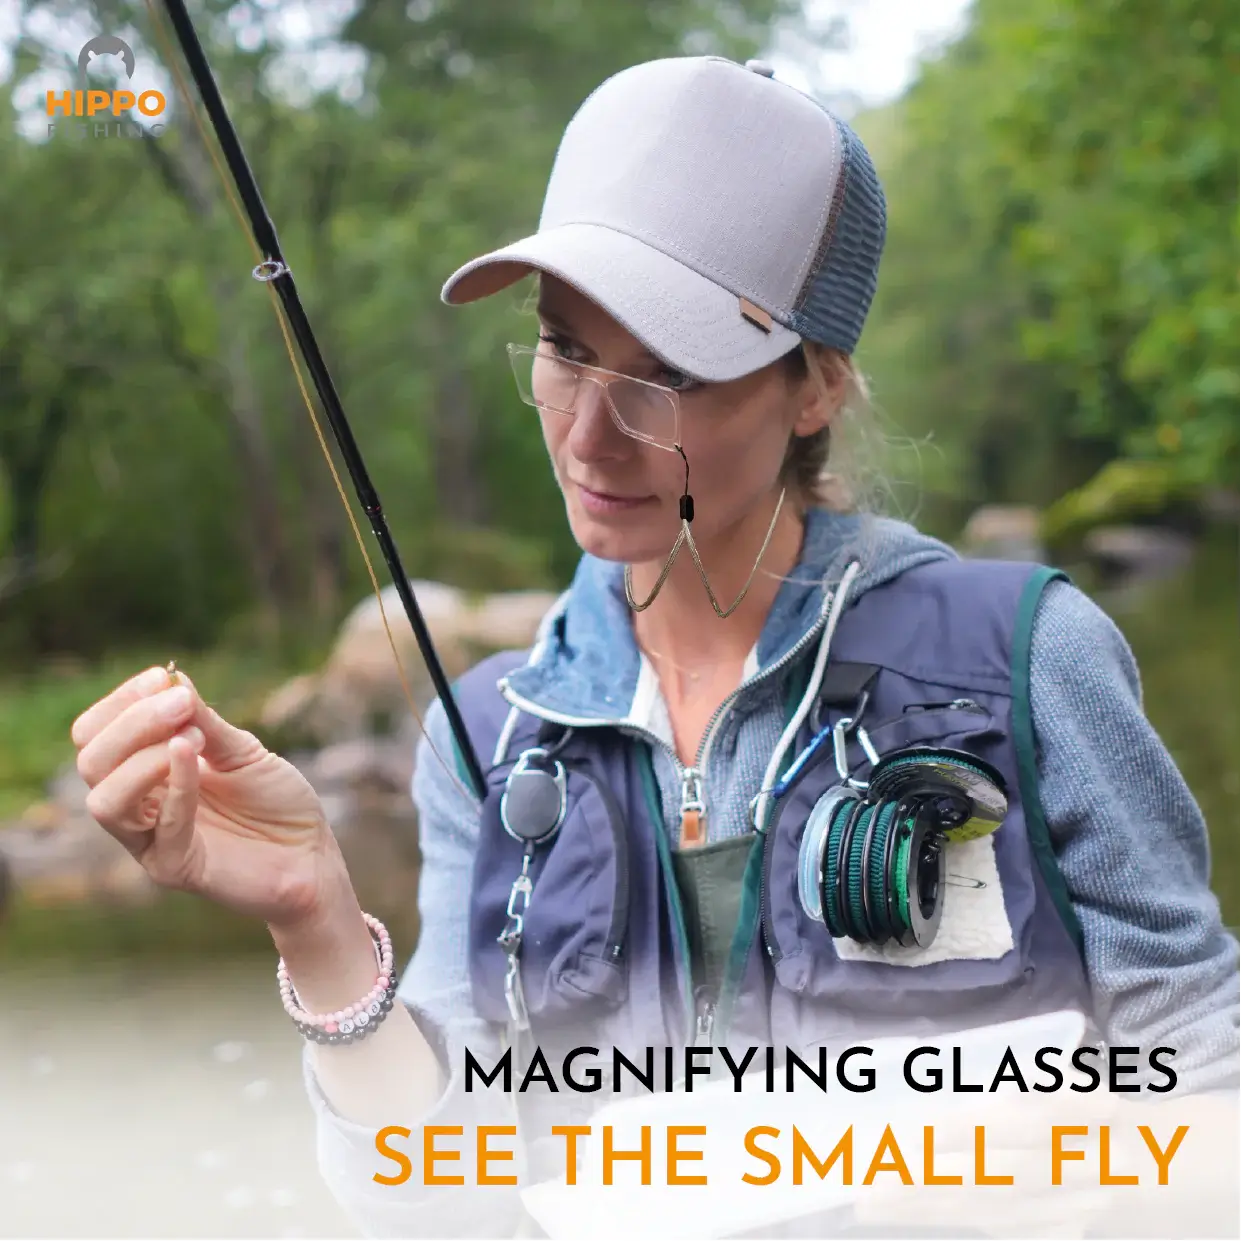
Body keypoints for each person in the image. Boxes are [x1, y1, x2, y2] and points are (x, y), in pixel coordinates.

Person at [72, 56, 1237, 1239]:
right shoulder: (478, 734)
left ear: (813, 388)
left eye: (667, 375)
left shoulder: (1033, 659)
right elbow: (437, 1204)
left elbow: (1205, 1088)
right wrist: (314, 918)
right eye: (564, 347)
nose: (587, 433)